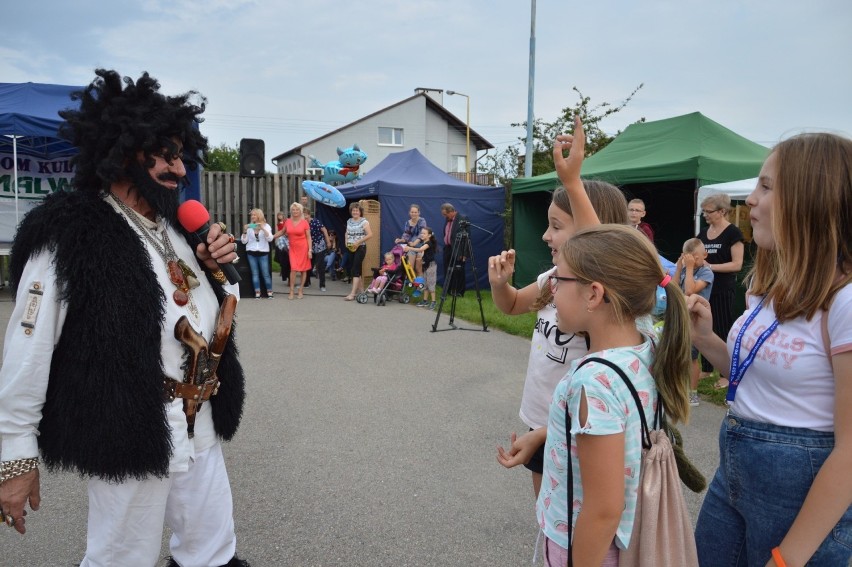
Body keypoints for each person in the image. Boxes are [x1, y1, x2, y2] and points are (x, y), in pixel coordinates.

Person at [0, 69, 249, 566]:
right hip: (127, 426)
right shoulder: (72, 233)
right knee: (121, 556)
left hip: (198, 424)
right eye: (166, 153)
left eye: (182, 155)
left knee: (212, 548)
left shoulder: (178, 230)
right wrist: (15, 454)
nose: (179, 169)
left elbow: (205, 311)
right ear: (121, 149)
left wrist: (219, 270)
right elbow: (29, 346)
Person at [689, 133, 852, 567]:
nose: (752, 201)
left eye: (766, 187)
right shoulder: (773, 288)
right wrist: (706, 339)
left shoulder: (846, 301)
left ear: (810, 199)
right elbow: (753, 376)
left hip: (800, 496)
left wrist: (789, 559)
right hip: (735, 475)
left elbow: (851, 450)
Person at [535, 223, 691, 566]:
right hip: (620, 540)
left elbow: (604, 509)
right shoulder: (646, 346)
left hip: (581, 546)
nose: (551, 291)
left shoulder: (594, 382)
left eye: (557, 280)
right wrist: (544, 436)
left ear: (593, 293)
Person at [491, 117, 630, 500]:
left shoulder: (606, 293)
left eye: (556, 225)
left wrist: (572, 182)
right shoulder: (554, 277)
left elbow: (599, 249)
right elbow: (513, 304)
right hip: (541, 417)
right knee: (548, 511)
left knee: (580, 514)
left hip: (582, 424)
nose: (545, 235)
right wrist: (500, 285)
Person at [697, 192, 744, 388]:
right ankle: (707, 369)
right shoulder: (703, 233)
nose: (705, 215)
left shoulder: (733, 233)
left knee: (723, 328)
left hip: (723, 288)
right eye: (703, 211)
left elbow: (737, 264)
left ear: (722, 211)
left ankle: (726, 373)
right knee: (704, 328)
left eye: (708, 212)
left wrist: (710, 267)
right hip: (705, 290)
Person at [674, 238, 714, 406]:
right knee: (678, 355)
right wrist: (678, 268)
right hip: (681, 318)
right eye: (689, 257)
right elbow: (675, 287)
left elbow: (690, 290)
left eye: (696, 257)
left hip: (696, 322)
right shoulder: (684, 270)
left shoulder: (706, 272)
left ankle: (693, 393)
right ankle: (678, 390)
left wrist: (689, 267)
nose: (693, 260)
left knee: (691, 358)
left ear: (705, 255)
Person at [274, 202, 311, 299]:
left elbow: (308, 237)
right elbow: (282, 232)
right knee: (293, 269)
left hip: (303, 248)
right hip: (293, 248)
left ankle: (300, 290)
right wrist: (272, 237)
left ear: (300, 211)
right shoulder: (288, 221)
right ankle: (291, 291)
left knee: (303, 270)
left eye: (297, 210)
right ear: (291, 211)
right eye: (293, 210)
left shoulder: (304, 222)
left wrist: (310, 250)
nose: (295, 211)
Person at [240, 208, 274, 299]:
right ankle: (257, 293)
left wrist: (262, 228)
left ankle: (269, 292)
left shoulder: (266, 226)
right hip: (251, 253)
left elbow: (270, 239)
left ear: (259, 216)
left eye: (254, 215)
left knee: (265, 273)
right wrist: (244, 231)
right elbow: (244, 241)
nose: (252, 217)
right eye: (252, 215)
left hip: (263, 253)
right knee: (255, 273)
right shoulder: (250, 227)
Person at [343, 201, 372, 301]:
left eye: (357, 210)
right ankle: (362, 291)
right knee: (354, 269)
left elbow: (369, 234)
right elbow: (347, 232)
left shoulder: (364, 221)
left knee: (355, 269)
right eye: (353, 210)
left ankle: (352, 294)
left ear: (360, 212)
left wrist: (358, 242)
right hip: (351, 247)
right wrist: (346, 241)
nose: (355, 212)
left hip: (360, 247)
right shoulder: (349, 221)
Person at [405, 227, 438, 309]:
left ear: (429, 235)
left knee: (431, 284)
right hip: (426, 266)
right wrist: (421, 258)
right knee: (425, 284)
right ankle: (425, 301)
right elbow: (425, 253)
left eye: (424, 233)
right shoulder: (424, 242)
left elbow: (420, 249)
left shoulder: (428, 243)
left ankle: (434, 302)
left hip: (431, 267)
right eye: (421, 233)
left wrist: (409, 248)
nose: (422, 234)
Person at [440, 203, 467, 295]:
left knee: (458, 270)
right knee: (447, 269)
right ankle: (448, 290)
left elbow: (467, 238)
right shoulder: (447, 219)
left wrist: (464, 253)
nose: (444, 216)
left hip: (458, 248)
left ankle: (459, 291)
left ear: (451, 212)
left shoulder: (462, 218)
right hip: (448, 248)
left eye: (445, 214)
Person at [302, 209, 331, 292]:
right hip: (309, 246)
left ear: (308, 215)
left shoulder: (315, 222)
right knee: (307, 265)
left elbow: (324, 230)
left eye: (305, 215)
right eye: (303, 215)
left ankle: (322, 285)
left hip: (319, 245)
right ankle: (306, 283)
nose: (304, 217)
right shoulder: (303, 224)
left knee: (320, 266)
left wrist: (328, 241)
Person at [394, 204, 427, 272]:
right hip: (411, 248)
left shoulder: (422, 221)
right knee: (410, 268)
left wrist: (414, 243)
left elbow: (422, 234)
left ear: (419, 213)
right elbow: (406, 234)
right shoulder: (407, 222)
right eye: (412, 212)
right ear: (409, 212)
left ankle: (420, 282)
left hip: (421, 247)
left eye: (415, 212)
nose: (413, 214)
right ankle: (410, 282)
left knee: (418, 269)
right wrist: (401, 240)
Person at [274, 211, 290, 283]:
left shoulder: (286, 222)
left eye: (280, 215)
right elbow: (279, 231)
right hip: (282, 237)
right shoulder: (278, 224)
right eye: (278, 216)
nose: (279, 217)